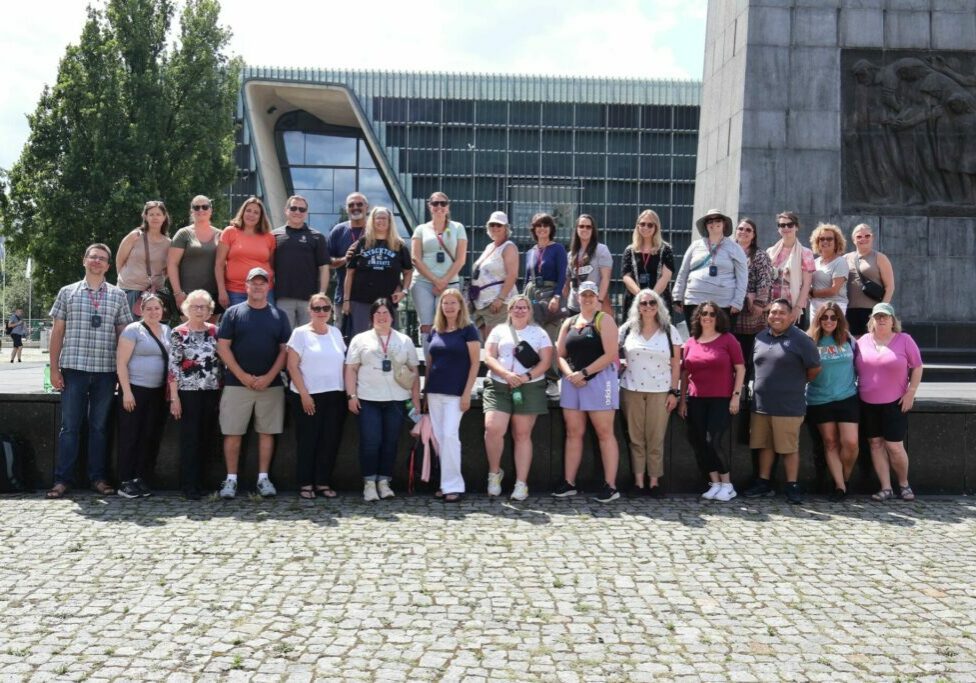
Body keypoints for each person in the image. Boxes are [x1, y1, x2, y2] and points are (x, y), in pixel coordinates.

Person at [46, 243, 135, 498]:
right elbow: (57, 331)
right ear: (84, 260)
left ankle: (98, 478)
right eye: (92, 257)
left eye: (102, 259)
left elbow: (123, 335)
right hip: (74, 368)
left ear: (108, 265)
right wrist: (54, 368)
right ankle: (63, 480)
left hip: (106, 371)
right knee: (69, 428)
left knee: (99, 428)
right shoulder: (67, 292)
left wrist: (122, 373)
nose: (97, 261)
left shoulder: (118, 295)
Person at [215, 267, 291, 499]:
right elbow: (223, 347)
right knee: (232, 432)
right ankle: (231, 480)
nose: (258, 286)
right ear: (245, 286)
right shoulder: (233, 313)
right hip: (237, 384)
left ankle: (263, 478)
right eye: (253, 282)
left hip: (271, 385)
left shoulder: (279, 315)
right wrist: (242, 375)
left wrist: (269, 377)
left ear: (268, 286)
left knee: (267, 432)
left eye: (262, 282)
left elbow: (285, 351)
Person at [743, 299, 822, 503]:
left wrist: (795, 383)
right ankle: (763, 483)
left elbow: (814, 369)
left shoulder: (802, 340)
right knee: (765, 445)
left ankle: (792, 485)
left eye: (781, 313)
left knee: (788, 448)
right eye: (773, 313)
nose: (776, 316)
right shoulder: (760, 337)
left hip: (788, 406)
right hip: (761, 405)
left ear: (791, 316)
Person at [344, 298, 421, 502]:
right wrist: (351, 395)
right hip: (368, 399)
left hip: (397, 400)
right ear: (371, 317)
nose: (381, 317)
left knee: (390, 442)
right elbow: (351, 369)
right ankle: (369, 483)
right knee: (371, 441)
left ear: (392, 317)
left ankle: (384, 482)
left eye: (385, 313)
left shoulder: (404, 340)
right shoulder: (360, 339)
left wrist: (416, 402)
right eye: (377, 313)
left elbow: (414, 371)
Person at [553, 281, 621, 503]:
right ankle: (569, 482)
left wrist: (583, 373)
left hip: (599, 380)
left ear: (597, 298)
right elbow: (560, 353)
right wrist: (570, 374)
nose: (588, 298)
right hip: (573, 382)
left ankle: (610, 485)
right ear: (577, 297)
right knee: (573, 432)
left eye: (592, 295)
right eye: (584, 295)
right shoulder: (570, 322)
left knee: (604, 432)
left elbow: (610, 354)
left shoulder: (605, 320)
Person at [483, 295, 553, 501]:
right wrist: (506, 375)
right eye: (516, 307)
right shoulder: (498, 330)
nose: (520, 311)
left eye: (524, 307)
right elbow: (489, 356)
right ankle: (494, 474)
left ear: (530, 311)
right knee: (493, 428)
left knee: (522, 434)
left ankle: (521, 483)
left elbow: (546, 361)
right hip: (499, 385)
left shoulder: (539, 333)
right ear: (509, 310)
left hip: (528, 387)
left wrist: (526, 377)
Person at [855, 303, 923, 502]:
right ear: (872, 320)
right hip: (867, 402)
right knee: (875, 444)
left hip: (895, 401)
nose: (881, 320)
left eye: (886, 316)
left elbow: (917, 367)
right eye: (877, 317)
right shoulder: (862, 342)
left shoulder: (904, 340)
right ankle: (885, 487)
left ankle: (903, 484)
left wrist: (911, 392)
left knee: (894, 446)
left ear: (893, 320)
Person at [678, 302, 745, 501]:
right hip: (696, 398)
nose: (707, 317)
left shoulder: (728, 339)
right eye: (703, 313)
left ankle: (728, 484)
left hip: (721, 399)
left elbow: (740, 368)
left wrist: (736, 396)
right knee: (700, 442)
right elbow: (684, 373)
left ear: (718, 317)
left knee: (712, 441)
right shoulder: (690, 342)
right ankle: (715, 483)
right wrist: (683, 400)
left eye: (712, 314)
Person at [618, 289, 681, 498]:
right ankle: (638, 482)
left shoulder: (670, 331)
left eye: (652, 302)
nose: (648, 306)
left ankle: (654, 482)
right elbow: (615, 353)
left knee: (655, 438)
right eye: (643, 303)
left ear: (659, 305)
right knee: (636, 438)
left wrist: (674, 391)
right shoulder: (627, 329)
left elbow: (676, 364)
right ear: (637, 306)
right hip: (631, 389)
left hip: (660, 390)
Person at [286, 293, 346, 499]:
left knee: (329, 440)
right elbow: (291, 366)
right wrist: (304, 394)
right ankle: (305, 483)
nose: (321, 312)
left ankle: (322, 481)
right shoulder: (300, 333)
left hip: (334, 394)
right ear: (309, 311)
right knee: (308, 440)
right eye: (317, 308)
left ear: (330, 311)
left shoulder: (336, 333)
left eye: (325, 308)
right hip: (308, 395)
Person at [424, 288, 480, 502]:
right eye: (445, 303)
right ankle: (445, 484)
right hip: (434, 392)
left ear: (460, 306)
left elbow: (475, 363)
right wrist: (425, 392)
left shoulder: (469, 329)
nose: (448, 307)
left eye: (452, 303)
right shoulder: (436, 330)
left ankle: (454, 485)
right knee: (440, 438)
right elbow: (430, 363)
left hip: (456, 393)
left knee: (449, 436)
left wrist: (467, 394)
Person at [115, 293, 171, 498]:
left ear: (162, 310)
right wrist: (127, 392)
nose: (153, 312)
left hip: (157, 392)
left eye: (157, 308)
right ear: (141, 310)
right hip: (135, 389)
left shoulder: (166, 331)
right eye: (149, 309)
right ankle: (125, 480)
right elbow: (121, 362)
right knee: (131, 436)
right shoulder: (133, 330)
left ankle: (141, 478)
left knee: (149, 436)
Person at [168, 289, 221, 500]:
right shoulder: (178, 332)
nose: (199, 310)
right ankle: (189, 485)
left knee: (207, 438)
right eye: (195, 306)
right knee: (190, 439)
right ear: (186, 309)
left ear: (210, 310)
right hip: (187, 392)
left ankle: (202, 482)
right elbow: (173, 367)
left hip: (211, 391)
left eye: (204, 307)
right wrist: (174, 398)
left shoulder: (216, 331)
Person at [805, 302, 859, 502]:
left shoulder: (847, 339)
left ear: (839, 320)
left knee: (851, 443)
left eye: (833, 317)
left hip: (847, 396)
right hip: (820, 398)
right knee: (830, 443)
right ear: (818, 319)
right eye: (824, 317)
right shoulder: (810, 340)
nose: (829, 321)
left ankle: (845, 477)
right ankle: (840, 486)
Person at [342, 207, 412, 337]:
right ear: (372, 221)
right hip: (361, 302)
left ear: (390, 221)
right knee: (361, 341)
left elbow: (408, 272)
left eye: (384, 217)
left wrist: (404, 291)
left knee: (387, 341)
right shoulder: (362, 243)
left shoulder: (399, 245)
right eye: (377, 217)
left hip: (388, 303)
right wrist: (346, 300)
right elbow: (350, 273)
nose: (381, 221)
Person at [672, 209, 747, 324]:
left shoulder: (735, 248)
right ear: (705, 226)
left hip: (724, 303)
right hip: (694, 300)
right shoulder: (695, 246)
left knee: (721, 340)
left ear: (724, 224)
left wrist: (737, 302)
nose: (713, 224)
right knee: (696, 340)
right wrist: (677, 296)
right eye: (709, 221)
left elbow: (743, 277)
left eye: (718, 220)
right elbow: (683, 272)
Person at [411, 192, 468, 342]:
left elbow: (461, 259)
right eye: (435, 203)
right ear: (429, 206)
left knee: (449, 324)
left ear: (448, 207)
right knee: (427, 325)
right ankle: (429, 364)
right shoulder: (421, 229)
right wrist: (436, 280)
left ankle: (445, 361)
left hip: (449, 283)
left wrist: (443, 281)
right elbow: (415, 258)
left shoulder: (458, 227)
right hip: (423, 282)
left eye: (443, 203)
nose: (439, 207)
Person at [523, 212, 568, 395]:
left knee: (549, 339)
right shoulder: (530, 252)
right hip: (532, 294)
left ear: (551, 229)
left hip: (550, 294)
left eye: (545, 225)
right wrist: (522, 301)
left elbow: (562, 275)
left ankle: (551, 379)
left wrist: (557, 297)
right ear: (534, 229)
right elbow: (526, 279)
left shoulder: (558, 249)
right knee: (531, 339)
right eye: (538, 225)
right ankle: (535, 377)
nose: (542, 229)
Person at [273, 195, 331, 329]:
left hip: (309, 299)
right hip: (283, 297)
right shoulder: (274, 236)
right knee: (285, 337)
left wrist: (321, 294)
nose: (297, 212)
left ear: (306, 213)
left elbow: (324, 268)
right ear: (286, 210)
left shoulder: (317, 237)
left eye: (302, 209)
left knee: (309, 337)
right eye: (293, 208)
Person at [731, 218, 773, 386]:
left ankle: (745, 390)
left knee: (747, 353)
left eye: (748, 229)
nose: (744, 232)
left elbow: (765, 281)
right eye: (741, 228)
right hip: (730, 307)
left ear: (754, 235)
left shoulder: (760, 255)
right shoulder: (729, 251)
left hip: (751, 311)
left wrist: (759, 303)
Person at [216, 196, 276, 309]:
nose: (251, 215)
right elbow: (219, 264)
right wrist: (221, 290)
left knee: (267, 325)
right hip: (236, 291)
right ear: (242, 212)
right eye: (248, 210)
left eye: (256, 212)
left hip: (264, 292)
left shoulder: (269, 237)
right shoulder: (229, 232)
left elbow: (272, 265)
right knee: (239, 325)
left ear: (261, 217)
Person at [167, 195, 222, 317]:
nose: (201, 210)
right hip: (187, 295)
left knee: (211, 334)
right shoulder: (183, 234)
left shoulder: (221, 235)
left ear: (211, 209)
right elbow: (172, 264)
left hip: (213, 294)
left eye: (205, 207)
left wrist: (223, 292)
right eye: (196, 207)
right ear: (191, 211)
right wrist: (177, 293)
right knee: (188, 334)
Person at [116, 200, 171, 316]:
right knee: (126, 330)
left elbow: (169, 269)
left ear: (164, 217)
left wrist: (157, 282)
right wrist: (127, 279)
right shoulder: (135, 236)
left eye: (158, 214)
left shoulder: (169, 243)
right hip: (129, 290)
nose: (155, 218)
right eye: (151, 214)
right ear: (145, 216)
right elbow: (120, 260)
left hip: (154, 294)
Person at [469, 211, 519, 339]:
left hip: (497, 304)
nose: (495, 228)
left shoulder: (509, 247)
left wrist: (500, 299)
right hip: (481, 303)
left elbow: (512, 275)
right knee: (486, 345)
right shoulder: (489, 246)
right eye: (492, 225)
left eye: (499, 225)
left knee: (494, 345)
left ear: (506, 228)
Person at [621, 209, 674, 316]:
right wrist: (641, 297)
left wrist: (651, 299)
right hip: (634, 301)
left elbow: (666, 276)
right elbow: (626, 276)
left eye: (650, 225)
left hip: (659, 301)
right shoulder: (630, 250)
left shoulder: (665, 249)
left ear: (656, 227)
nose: (645, 227)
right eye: (642, 224)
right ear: (638, 226)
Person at [845, 223, 896, 336]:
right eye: (859, 236)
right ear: (853, 240)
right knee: (853, 346)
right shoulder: (845, 258)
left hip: (872, 310)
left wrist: (881, 310)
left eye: (867, 236)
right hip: (849, 309)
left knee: (872, 344)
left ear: (872, 238)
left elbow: (890, 286)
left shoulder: (880, 258)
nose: (863, 239)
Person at [328, 192, 369, 330]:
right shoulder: (338, 231)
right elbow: (327, 262)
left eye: (359, 204)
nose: (355, 207)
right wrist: (345, 259)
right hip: (343, 298)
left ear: (367, 207)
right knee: (341, 340)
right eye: (351, 205)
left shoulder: (376, 230)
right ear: (346, 209)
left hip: (370, 298)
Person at [766, 211, 815, 326]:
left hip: (793, 306)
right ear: (778, 229)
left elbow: (807, 284)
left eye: (790, 224)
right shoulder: (770, 252)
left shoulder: (806, 253)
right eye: (782, 225)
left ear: (796, 227)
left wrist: (798, 307)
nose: (786, 227)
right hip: (772, 307)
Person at [565, 214, 613, 316]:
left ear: (593, 230)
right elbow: (567, 281)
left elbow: (605, 278)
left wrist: (599, 301)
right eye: (581, 226)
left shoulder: (601, 250)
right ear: (576, 229)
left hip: (594, 305)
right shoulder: (571, 254)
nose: (584, 229)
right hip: (574, 305)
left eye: (588, 227)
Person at [809, 223, 850, 317]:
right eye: (821, 239)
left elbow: (834, 290)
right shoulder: (814, 262)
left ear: (836, 242)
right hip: (815, 308)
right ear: (817, 242)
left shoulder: (840, 262)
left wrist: (812, 293)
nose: (825, 241)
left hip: (835, 308)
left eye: (829, 239)